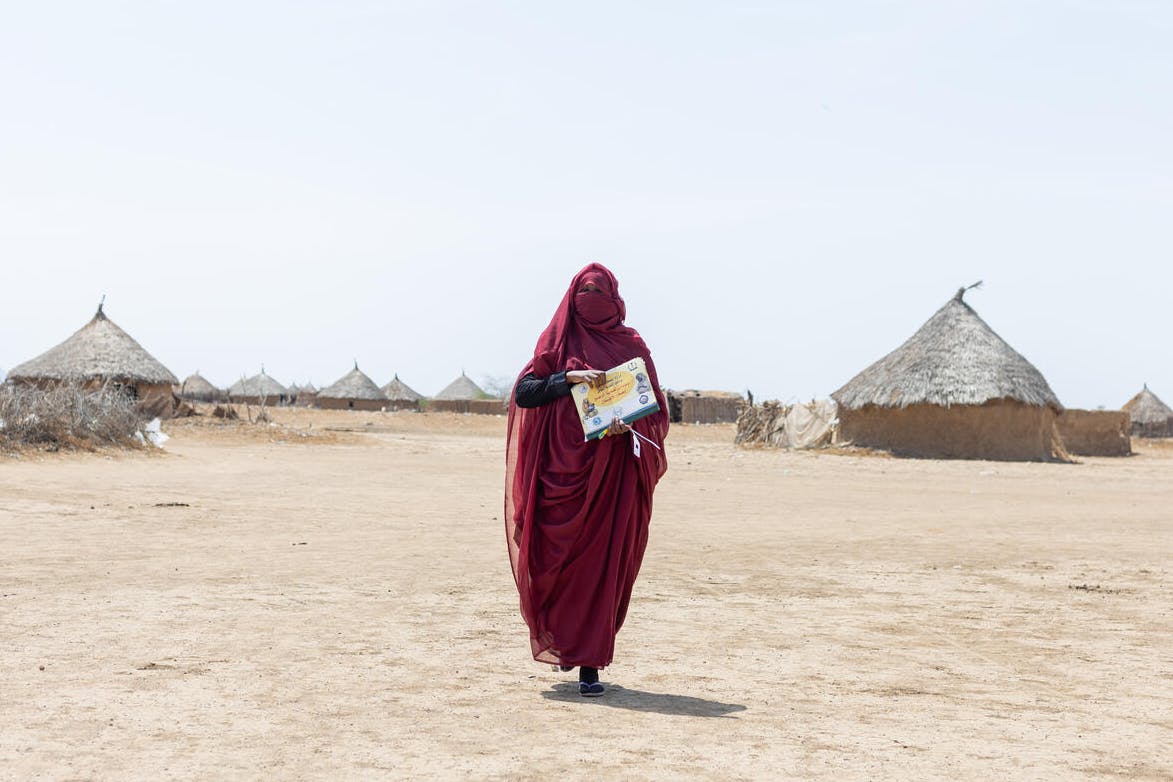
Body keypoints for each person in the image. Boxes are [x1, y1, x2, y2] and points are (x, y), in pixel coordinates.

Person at [504, 263, 669, 697]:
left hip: (612, 479)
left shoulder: (631, 346)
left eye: (599, 290)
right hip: (561, 477)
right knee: (557, 565)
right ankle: (564, 641)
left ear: (614, 297)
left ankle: (589, 666)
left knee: (600, 568)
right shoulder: (557, 342)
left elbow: (655, 412)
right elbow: (525, 392)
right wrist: (568, 379)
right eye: (584, 290)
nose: (591, 298)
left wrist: (628, 430)